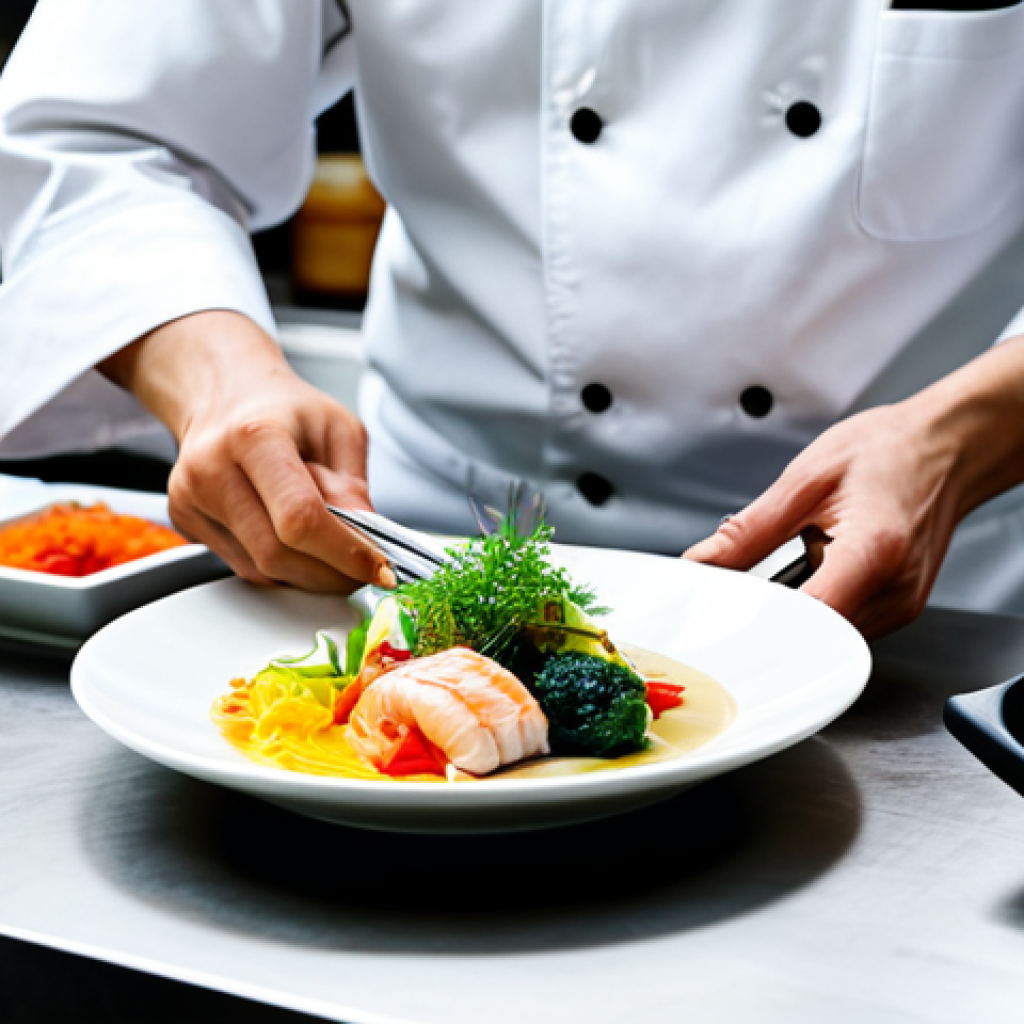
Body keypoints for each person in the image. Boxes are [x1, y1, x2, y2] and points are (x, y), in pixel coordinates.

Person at [3, 0, 1024, 638]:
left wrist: (958, 437)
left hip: (946, 603)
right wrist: (224, 382)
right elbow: (102, 135)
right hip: (412, 564)